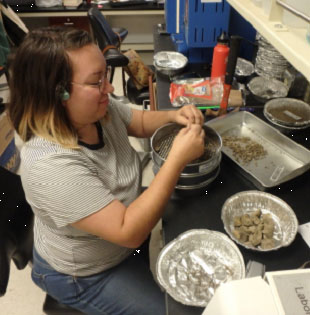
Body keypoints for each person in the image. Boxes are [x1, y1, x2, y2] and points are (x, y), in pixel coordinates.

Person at [8, 26, 205, 315]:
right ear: (57, 93)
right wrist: (176, 160)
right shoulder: (49, 166)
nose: (109, 89)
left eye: (105, 76)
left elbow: (136, 121)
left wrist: (173, 116)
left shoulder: (95, 110)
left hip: (118, 236)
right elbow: (128, 231)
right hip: (87, 275)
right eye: (96, 82)